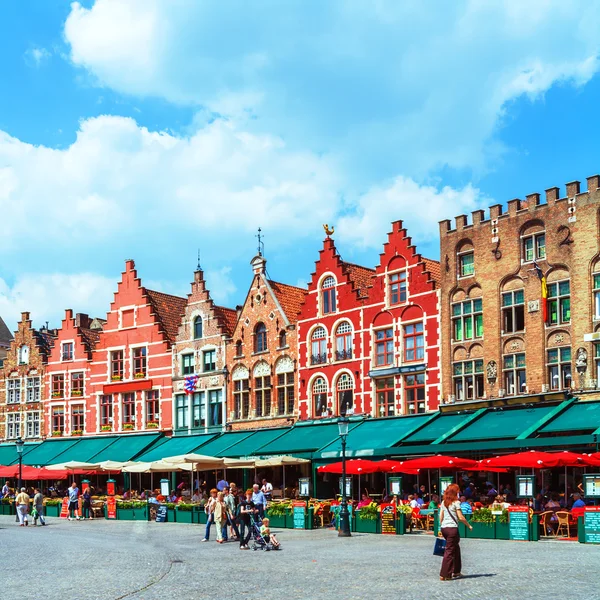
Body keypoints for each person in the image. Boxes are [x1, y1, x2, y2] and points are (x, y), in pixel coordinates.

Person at [439, 483, 472, 581]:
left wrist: (441, 526)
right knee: (449, 551)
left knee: (455, 548)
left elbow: (441, 516)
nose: (459, 493)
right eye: (457, 491)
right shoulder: (456, 503)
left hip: (444, 528)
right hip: (452, 529)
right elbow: (461, 517)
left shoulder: (444, 502)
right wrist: (469, 525)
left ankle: (456, 571)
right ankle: (445, 574)